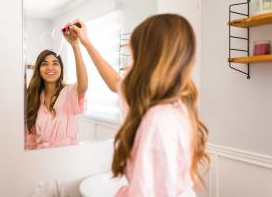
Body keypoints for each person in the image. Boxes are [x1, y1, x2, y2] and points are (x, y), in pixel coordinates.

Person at [70, 13, 209, 196]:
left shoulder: (157, 120)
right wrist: (85, 42)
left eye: (134, 54)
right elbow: (115, 83)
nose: (130, 63)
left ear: (148, 59)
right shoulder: (178, 105)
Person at [25, 25, 88, 150]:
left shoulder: (70, 93)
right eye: (44, 64)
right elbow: (30, 141)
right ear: (38, 69)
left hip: (67, 159)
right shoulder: (33, 98)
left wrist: (75, 47)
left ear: (61, 69)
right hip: (40, 161)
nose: (50, 68)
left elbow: (84, 85)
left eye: (55, 63)